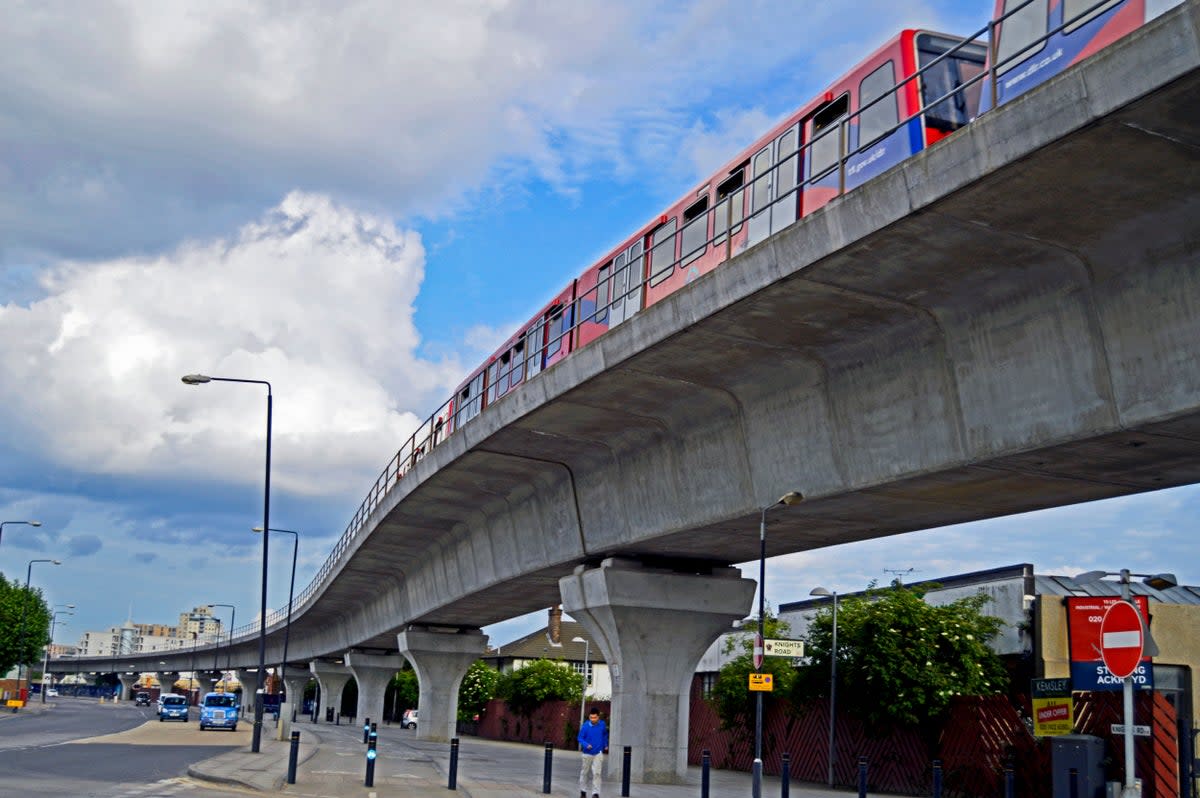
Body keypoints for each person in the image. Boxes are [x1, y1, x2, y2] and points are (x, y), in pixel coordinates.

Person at [577, 707, 608, 798]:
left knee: (597, 773)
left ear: (598, 717)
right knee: (585, 773)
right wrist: (586, 745)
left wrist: (605, 744)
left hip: (598, 753)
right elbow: (580, 738)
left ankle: (595, 793)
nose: (592, 719)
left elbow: (605, 734)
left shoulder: (602, 724)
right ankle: (583, 791)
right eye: (591, 717)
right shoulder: (585, 726)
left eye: (594, 717)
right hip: (587, 753)